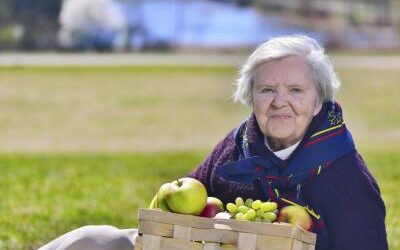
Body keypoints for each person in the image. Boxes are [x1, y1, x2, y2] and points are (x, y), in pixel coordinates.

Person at [38, 35, 388, 250]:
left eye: (296, 90)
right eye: (267, 90)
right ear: (251, 97)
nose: (280, 101)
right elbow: (180, 214)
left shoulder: (348, 180)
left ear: (318, 102)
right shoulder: (238, 146)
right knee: (93, 239)